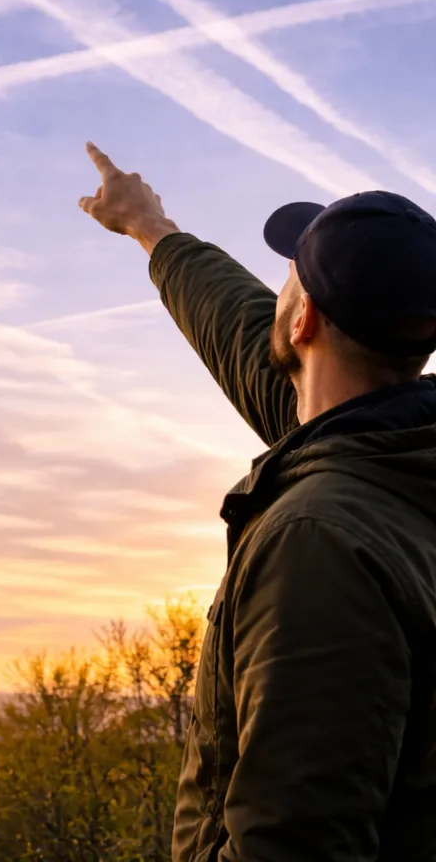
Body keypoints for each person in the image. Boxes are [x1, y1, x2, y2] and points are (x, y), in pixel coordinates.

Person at [78, 142, 436, 862]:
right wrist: (152, 228)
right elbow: (244, 334)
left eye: (290, 279)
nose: (276, 294)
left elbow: (294, 841)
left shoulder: (322, 539)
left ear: (303, 322)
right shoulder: (390, 456)